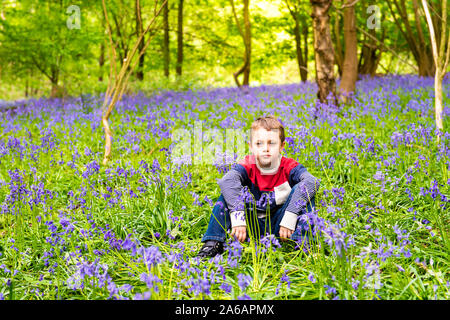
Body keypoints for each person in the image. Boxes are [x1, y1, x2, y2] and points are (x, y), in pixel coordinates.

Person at [197, 115, 320, 258]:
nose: (265, 149)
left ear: (282, 146)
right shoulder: (247, 165)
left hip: (281, 226)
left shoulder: (289, 166)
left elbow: (312, 182)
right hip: (250, 225)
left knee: (305, 193)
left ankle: (304, 243)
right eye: (259, 143)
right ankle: (213, 243)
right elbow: (227, 181)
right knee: (226, 194)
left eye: (271, 143)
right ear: (251, 146)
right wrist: (238, 217)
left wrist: (290, 215)